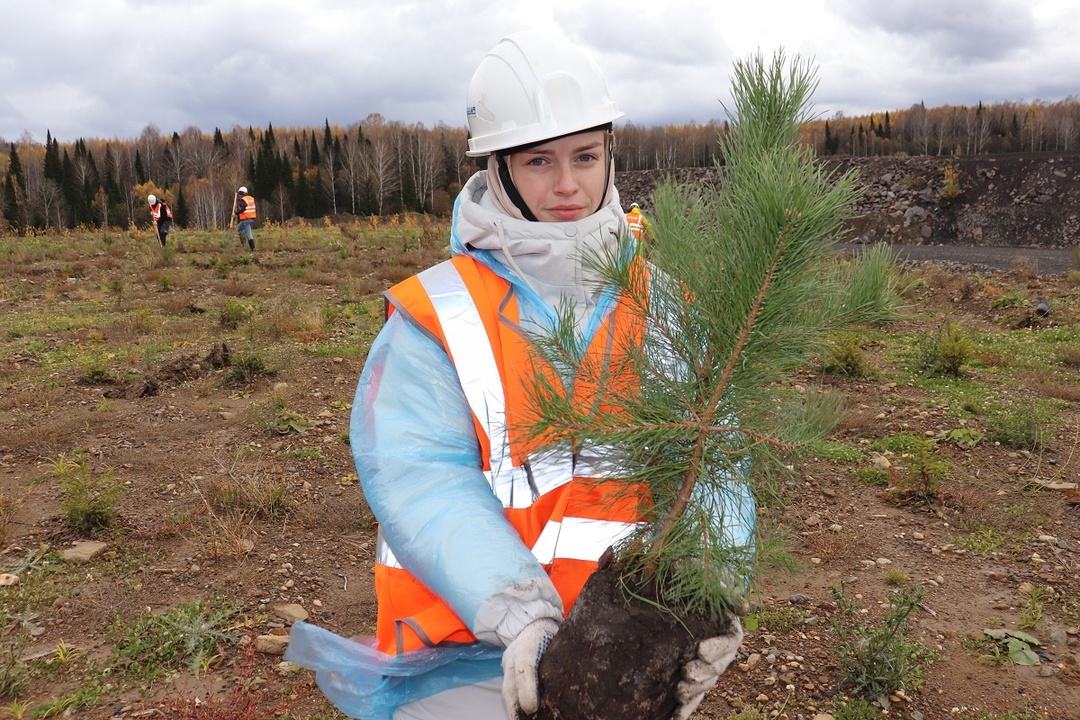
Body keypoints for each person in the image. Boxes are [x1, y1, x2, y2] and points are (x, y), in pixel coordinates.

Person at [286, 29, 753, 720]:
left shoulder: (670, 309)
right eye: (539, 161)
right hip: (465, 655)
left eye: (586, 156)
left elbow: (712, 466)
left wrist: (705, 603)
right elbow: (422, 479)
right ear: (497, 168)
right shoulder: (438, 317)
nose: (568, 184)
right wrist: (523, 616)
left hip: (623, 660)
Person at [234, 186, 256, 250]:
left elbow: (243, 209)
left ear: (241, 193)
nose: (239, 195)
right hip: (250, 218)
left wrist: (236, 213)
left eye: (239, 194)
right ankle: (243, 243)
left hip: (247, 219)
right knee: (239, 228)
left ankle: (252, 248)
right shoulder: (250, 198)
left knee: (248, 234)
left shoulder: (243, 200)